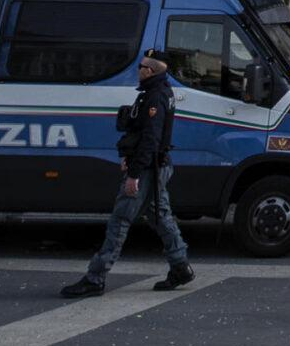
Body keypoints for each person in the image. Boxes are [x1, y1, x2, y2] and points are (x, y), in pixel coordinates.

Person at [61, 48, 194, 298]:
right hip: (156, 166)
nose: (138, 70)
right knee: (160, 217)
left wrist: (133, 174)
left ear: (151, 70)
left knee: (120, 220)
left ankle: (95, 277)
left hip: (147, 169)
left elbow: (150, 140)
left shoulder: (154, 97)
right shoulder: (157, 92)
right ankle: (180, 266)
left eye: (142, 67)